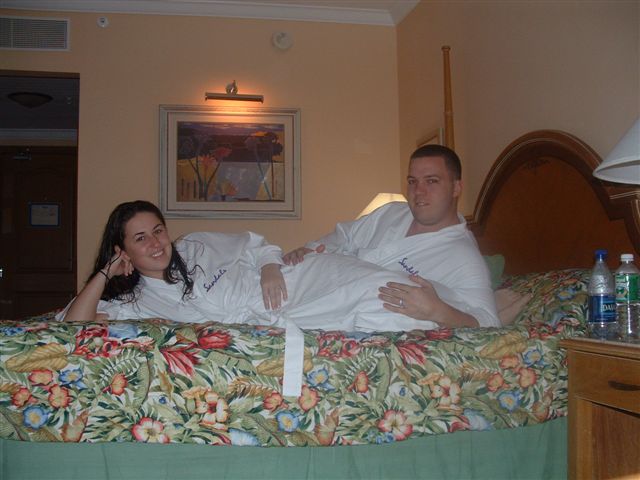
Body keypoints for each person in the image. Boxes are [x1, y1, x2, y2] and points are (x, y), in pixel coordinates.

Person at [57, 200, 447, 333]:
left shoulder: (195, 246)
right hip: (277, 316)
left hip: (292, 281)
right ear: (122, 249)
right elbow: (72, 325)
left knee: (376, 284)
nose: (156, 243)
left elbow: (258, 245)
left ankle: (452, 311)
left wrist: (270, 268)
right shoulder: (135, 302)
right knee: (373, 312)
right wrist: (106, 273)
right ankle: (444, 319)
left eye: (158, 231)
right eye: (140, 238)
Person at [283, 144, 500, 329]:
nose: (418, 191)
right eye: (412, 181)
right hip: (320, 288)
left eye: (431, 181)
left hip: (353, 315)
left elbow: (489, 322)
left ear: (456, 188)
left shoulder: (463, 257)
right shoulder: (392, 212)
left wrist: (438, 311)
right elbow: (344, 236)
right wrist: (312, 249)